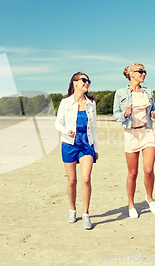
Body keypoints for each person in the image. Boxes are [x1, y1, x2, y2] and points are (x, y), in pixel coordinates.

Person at [113, 63, 155, 219]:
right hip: (131, 134)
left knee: (148, 170)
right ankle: (131, 205)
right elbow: (116, 115)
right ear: (131, 74)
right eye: (140, 71)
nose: (144, 74)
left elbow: (153, 111)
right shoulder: (120, 93)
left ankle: (149, 197)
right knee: (133, 173)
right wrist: (125, 114)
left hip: (147, 131)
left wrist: (154, 115)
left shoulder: (149, 92)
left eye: (145, 71)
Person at [55, 72, 98, 229]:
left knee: (86, 179)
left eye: (88, 81)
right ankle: (72, 209)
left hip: (87, 145)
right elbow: (58, 124)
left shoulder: (91, 104)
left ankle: (86, 213)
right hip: (69, 144)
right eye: (84, 80)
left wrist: (96, 148)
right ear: (74, 83)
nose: (87, 83)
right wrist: (67, 131)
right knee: (72, 180)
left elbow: (93, 129)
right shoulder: (65, 103)